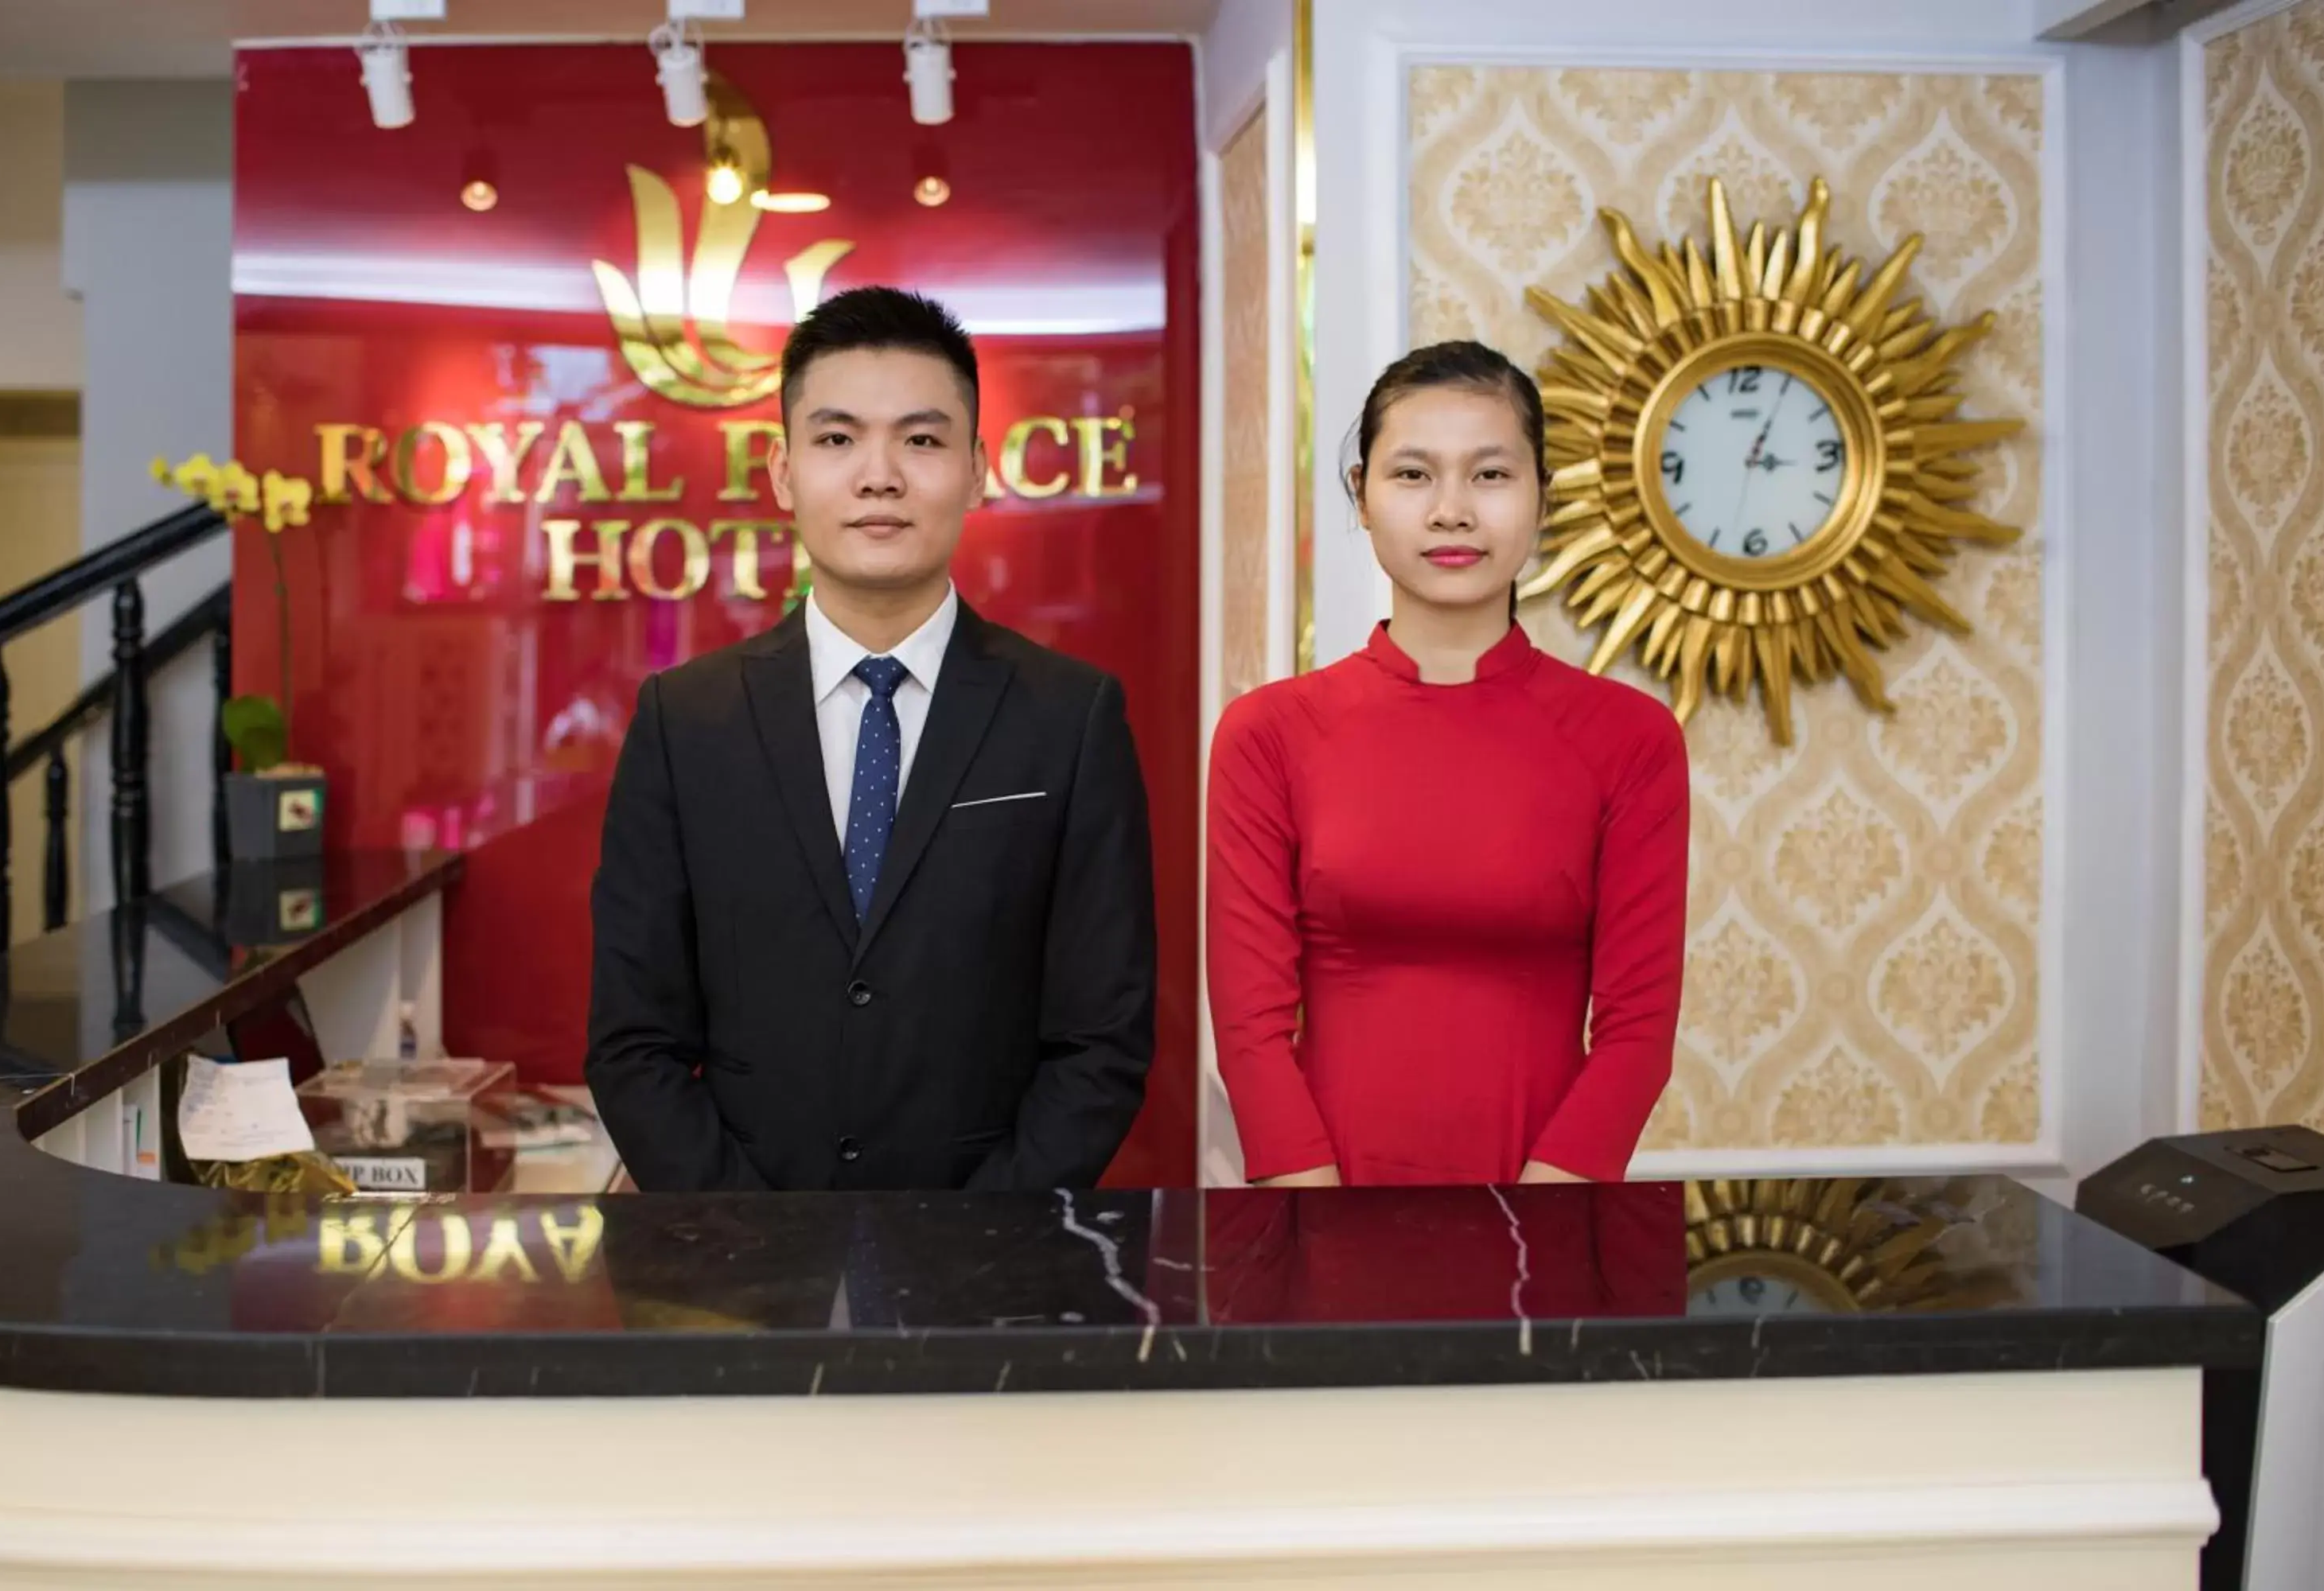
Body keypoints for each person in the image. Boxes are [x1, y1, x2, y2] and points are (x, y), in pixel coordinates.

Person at [586, 286, 1157, 1192]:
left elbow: (1102, 1039)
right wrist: (751, 1241)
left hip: (988, 1267)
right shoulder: (685, 719)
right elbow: (633, 1039)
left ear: (975, 470)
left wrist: (975, 1243)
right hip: (740, 1272)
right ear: (782, 472)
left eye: (922, 440)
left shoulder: (1070, 716)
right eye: (838, 438)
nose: (879, 474)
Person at [1206, 340, 1689, 1188]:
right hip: (1324, 1217)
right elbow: (1249, 1028)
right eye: (1413, 475)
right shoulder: (1268, 733)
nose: (1452, 511)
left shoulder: (1631, 737)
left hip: (1548, 1223)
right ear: (1361, 495)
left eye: (1492, 475)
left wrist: (1533, 1238)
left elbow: (1637, 1030)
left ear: (1543, 495)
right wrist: (1321, 1231)